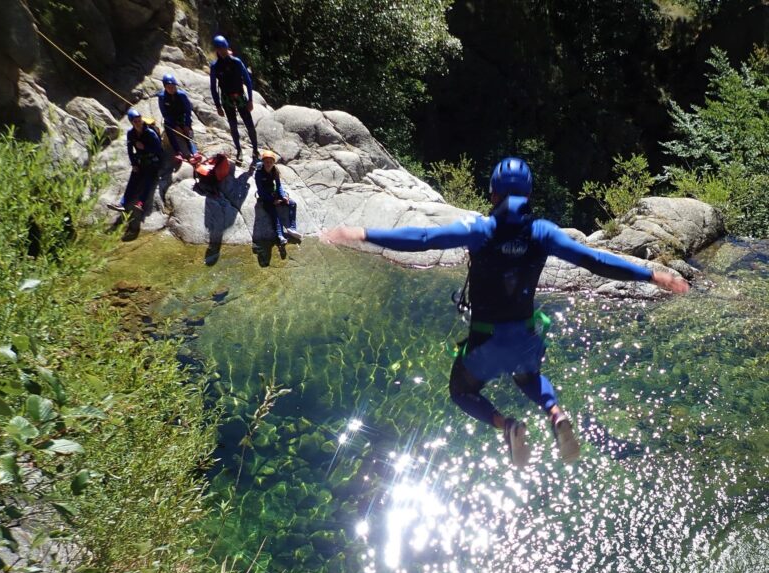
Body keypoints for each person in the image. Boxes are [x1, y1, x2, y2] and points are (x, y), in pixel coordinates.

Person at [322, 157, 689, 467]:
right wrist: (651, 275)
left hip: (486, 341)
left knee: (461, 392)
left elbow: (422, 239)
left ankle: (507, 425)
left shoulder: (480, 229)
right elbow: (595, 260)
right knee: (528, 379)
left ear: (493, 194)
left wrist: (362, 233)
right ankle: (555, 414)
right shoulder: (543, 232)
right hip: (525, 337)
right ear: (528, 194)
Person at [209, 35, 259, 165]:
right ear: (216, 50)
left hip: (240, 96)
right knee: (233, 126)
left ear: (227, 47)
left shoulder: (236, 62)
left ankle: (255, 150)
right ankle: (239, 151)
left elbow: (247, 81)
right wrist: (218, 106)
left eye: (223, 48)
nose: (221, 51)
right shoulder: (215, 66)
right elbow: (213, 87)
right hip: (226, 98)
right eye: (219, 49)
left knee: (249, 124)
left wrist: (250, 100)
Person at [108, 108, 164, 213]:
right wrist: (134, 164)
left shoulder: (150, 133)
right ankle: (122, 204)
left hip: (153, 160)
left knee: (148, 179)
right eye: (135, 121)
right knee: (133, 179)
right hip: (140, 160)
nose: (138, 123)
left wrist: (144, 147)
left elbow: (159, 149)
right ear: (131, 122)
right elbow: (130, 150)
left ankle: (141, 203)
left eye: (139, 120)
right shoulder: (131, 133)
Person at [254, 149, 302, 246]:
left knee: (292, 203)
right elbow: (260, 191)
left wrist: (283, 196)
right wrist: (273, 200)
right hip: (265, 196)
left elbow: (279, 185)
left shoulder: (275, 170)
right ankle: (280, 235)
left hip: (273, 192)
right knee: (273, 212)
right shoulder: (259, 173)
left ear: (273, 163)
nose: (268, 164)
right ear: (263, 162)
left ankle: (292, 228)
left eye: (270, 162)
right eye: (266, 162)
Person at [158, 73, 200, 164]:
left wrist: (187, 124)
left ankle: (194, 152)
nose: (172, 89)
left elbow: (188, 111)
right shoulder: (162, 97)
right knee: (169, 130)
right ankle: (178, 152)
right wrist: (175, 126)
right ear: (165, 87)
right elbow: (165, 114)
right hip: (171, 119)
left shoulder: (182, 95)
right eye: (169, 87)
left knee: (188, 133)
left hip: (182, 117)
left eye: (173, 86)